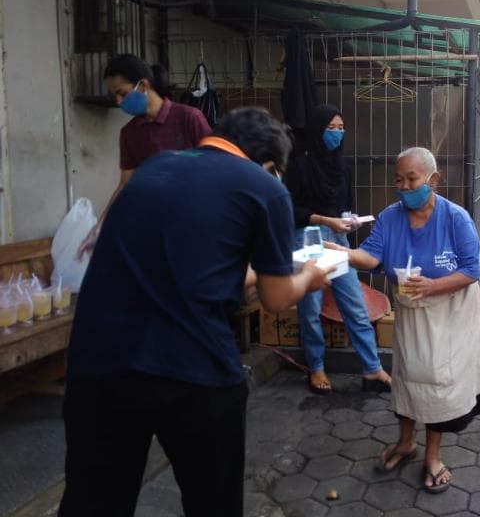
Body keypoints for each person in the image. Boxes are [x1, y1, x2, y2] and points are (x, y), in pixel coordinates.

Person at [59, 108, 333, 517]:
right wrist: (310, 275)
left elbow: (187, 268)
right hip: (193, 369)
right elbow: (277, 299)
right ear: (270, 165)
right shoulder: (264, 187)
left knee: (94, 502)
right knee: (213, 501)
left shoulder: (155, 169)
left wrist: (254, 275)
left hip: (99, 363)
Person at [330, 147, 480, 493]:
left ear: (433, 180)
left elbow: (472, 270)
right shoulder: (390, 217)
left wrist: (435, 284)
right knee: (408, 377)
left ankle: (433, 456)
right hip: (411, 312)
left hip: (450, 312)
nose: (405, 187)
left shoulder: (456, 218)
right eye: (399, 179)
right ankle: (406, 442)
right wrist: (344, 254)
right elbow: (371, 255)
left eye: (413, 179)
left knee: (438, 381)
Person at [284, 104, 391, 394]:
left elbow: (345, 204)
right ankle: (316, 367)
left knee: (353, 303)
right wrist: (323, 219)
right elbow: (290, 209)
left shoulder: (342, 165)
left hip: (337, 240)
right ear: (317, 130)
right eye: (331, 128)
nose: (337, 133)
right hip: (307, 240)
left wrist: (349, 221)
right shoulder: (299, 164)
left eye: (341, 128)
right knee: (310, 307)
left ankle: (372, 368)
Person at [78, 54, 211, 257]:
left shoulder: (189, 118)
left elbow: (216, 168)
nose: (119, 101)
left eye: (122, 93)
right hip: (156, 225)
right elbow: (125, 185)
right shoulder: (129, 133)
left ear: (143, 86)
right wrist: (100, 227)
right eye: (115, 96)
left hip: (198, 221)